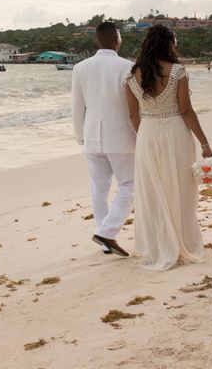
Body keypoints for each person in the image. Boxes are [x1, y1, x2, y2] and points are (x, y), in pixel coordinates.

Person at [125, 25, 212, 270]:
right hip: (175, 132)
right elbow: (185, 110)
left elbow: (133, 116)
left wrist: (145, 137)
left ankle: (156, 245)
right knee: (181, 187)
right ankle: (182, 241)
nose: (176, 46)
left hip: (148, 134)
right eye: (174, 42)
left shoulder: (132, 76)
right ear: (168, 44)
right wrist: (204, 143)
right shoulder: (177, 72)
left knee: (153, 191)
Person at [71, 21, 136, 257]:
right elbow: (133, 106)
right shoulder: (128, 66)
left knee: (99, 188)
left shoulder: (80, 67)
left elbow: (77, 107)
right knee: (130, 185)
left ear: (98, 40)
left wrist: (80, 136)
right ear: (117, 40)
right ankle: (107, 232)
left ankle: (105, 236)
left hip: (91, 136)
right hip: (120, 135)